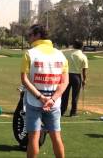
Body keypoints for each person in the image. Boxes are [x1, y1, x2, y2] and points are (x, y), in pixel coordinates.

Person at [20, 24, 69, 158]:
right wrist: (52, 99)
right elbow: (65, 82)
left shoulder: (29, 53)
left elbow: (24, 79)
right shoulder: (61, 55)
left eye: (30, 35)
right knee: (56, 137)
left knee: (34, 138)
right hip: (54, 103)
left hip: (34, 102)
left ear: (37, 35)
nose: (28, 38)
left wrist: (41, 98)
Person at [61, 39, 88, 117]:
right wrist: (84, 80)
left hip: (66, 75)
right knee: (75, 95)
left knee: (65, 95)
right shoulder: (83, 56)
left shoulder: (67, 53)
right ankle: (73, 112)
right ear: (82, 46)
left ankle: (62, 111)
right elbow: (84, 70)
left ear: (74, 45)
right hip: (77, 77)